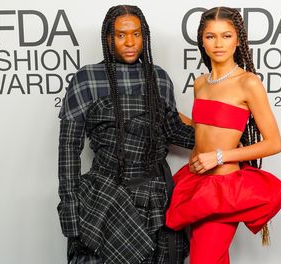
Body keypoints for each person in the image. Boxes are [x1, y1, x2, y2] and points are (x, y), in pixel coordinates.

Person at [57, 5, 194, 264]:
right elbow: (68, 150)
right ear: (108, 38)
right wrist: (70, 211)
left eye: (136, 34)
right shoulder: (87, 78)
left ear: (145, 37)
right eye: (120, 35)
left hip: (155, 197)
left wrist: (228, 136)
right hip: (105, 196)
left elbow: (174, 130)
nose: (130, 42)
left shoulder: (159, 78)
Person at [166, 7, 281, 264]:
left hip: (223, 191)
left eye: (226, 35)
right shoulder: (201, 83)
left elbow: (274, 143)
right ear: (202, 40)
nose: (218, 43)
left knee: (204, 260)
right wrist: (167, 113)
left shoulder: (248, 83)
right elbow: (203, 129)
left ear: (238, 39)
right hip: (195, 183)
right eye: (210, 36)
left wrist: (219, 156)